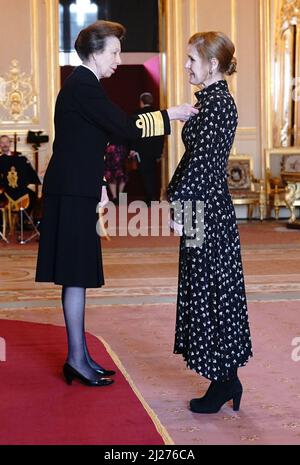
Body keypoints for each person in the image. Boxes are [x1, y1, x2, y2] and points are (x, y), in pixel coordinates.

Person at [35, 20, 198, 387]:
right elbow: (124, 126)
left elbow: (82, 141)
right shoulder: (83, 86)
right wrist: (170, 115)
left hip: (77, 188)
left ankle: (79, 356)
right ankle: (77, 358)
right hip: (71, 193)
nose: (118, 60)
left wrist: (98, 180)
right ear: (95, 53)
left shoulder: (84, 85)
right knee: (75, 275)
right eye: (114, 52)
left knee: (76, 276)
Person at [167, 31, 253, 413]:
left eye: (191, 59)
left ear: (212, 64)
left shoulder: (219, 105)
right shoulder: (212, 102)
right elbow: (196, 161)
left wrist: (181, 210)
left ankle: (224, 382)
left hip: (205, 210)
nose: (186, 65)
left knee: (212, 290)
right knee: (210, 288)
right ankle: (225, 379)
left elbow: (203, 167)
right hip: (205, 205)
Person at [130, 92, 165, 205]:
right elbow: (161, 135)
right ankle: (153, 197)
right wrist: (159, 152)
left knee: (144, 174)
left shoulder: (137, 114)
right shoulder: (158, 114)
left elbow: (134, 133)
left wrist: (133, 149)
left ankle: (150, 198)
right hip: (154, 150)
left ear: (141, 102)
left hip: (141, 150)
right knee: (152, 173)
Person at [0, 135, 41, 215]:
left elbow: (27, 173)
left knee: (32, 195)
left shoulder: (19, 158)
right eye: (2, 142)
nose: (5, 144)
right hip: (5, 190)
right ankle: (3, 223)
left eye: (6, 142)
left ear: (10, 143)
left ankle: (23, 220)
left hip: (20, 189)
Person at [104, 135, 129, 205]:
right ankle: (117, 197)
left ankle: (116, 197)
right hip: (116, 146)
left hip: (117, 146)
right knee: (115, 173)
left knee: (116, 172)